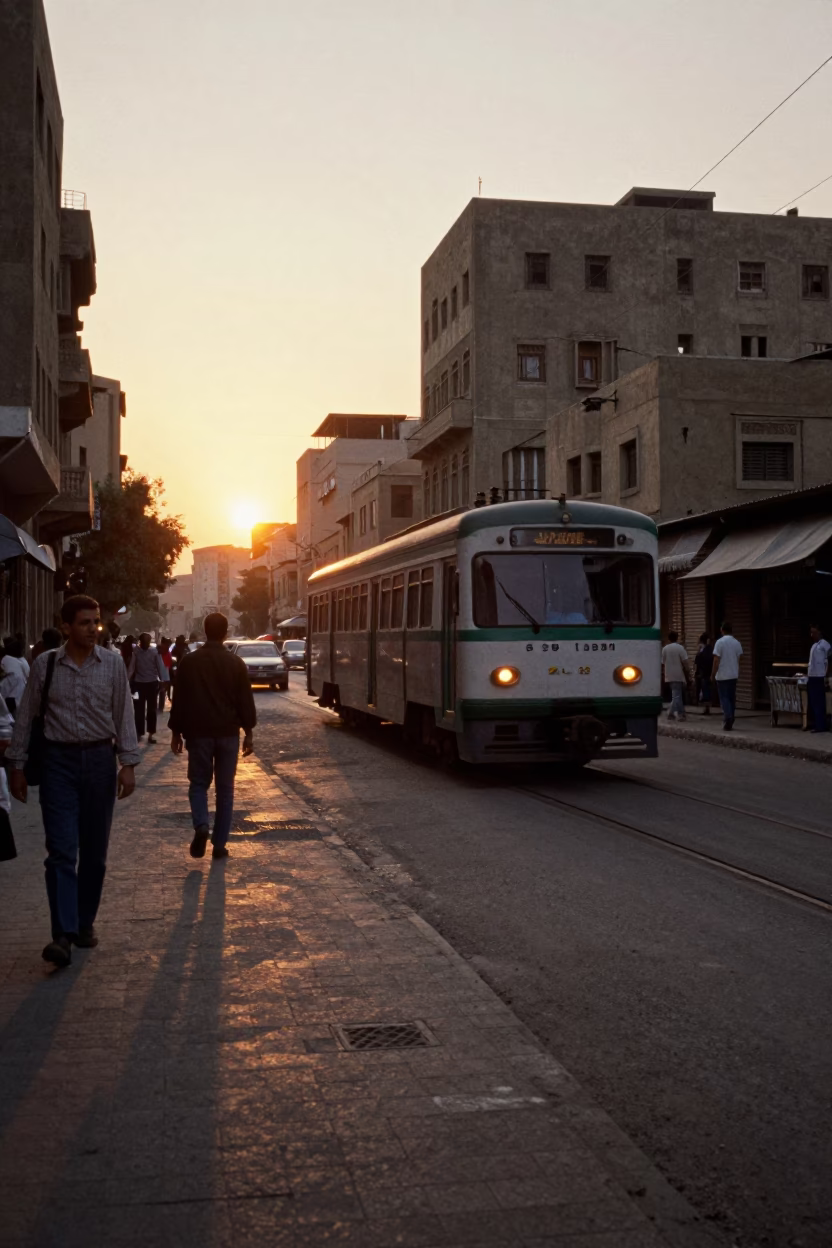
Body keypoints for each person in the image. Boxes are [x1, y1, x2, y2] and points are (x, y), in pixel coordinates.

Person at [6, 594, 139, 967]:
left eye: (96, 622)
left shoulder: (112, 665)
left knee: (94, 854)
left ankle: (84, 924)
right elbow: (26, 717)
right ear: (65, 627)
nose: (93, 629)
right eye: (84, 623)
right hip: (57, 764)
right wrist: (17, 765)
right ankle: (62, 934)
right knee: (62, 850)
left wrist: (127, 763)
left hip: (99, 760)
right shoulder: (45, 666)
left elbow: (124, 714)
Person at [169, 612, 256, 861]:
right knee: (225, 789)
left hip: (198, 734)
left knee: (198, 784)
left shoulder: (189, 662)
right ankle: (219, 845)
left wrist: (176, 732)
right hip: (228, 733)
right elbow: (245, 702)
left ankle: (201, 825)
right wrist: (248, 733)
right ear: (226, 632)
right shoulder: (235, 663)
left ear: (205, 631)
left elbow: (180, 700)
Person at [128, 632, 168, 744]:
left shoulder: (154, 652)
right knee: (139, 710)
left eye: (148, 641)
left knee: (151, 710)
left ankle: (151, 734)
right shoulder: (136, 652)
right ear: (141, 642)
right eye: (144, 642)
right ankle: (139, 732)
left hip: (152, 684)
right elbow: (132, 666)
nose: (146, 644)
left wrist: (163, 680)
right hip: (139, 684)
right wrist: (127, 679)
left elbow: (160, 666)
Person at [711, 621, 743, 731]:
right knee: (731, 697)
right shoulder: (737, 643)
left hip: (722, 675)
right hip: (733, 674)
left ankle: (728, 717)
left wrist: (713, 674)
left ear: (722, 630)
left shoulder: (719, 642)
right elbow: (739, 659)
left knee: (724, 697)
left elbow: (716, 660)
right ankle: (731, 717)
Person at [806, 623, 831, 734]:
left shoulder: (824, 644)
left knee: (819, 702)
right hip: (812, 676)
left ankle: (821, 725)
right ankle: (815, 723)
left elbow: (829, 660)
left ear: (819, 632)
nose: (812, 635)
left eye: (814, 632)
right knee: (813, 701)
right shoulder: (813, 646)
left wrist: (827, 674)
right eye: (811, 632)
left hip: (820, 676)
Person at [661, 631, 691, 721]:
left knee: (676, 694)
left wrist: (663, 673)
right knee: (676, 695)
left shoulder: (665, 649)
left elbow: (662, 663)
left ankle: (679, 713)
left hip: (668, 674)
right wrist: (688, 672)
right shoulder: (680, 648)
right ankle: (674, 713)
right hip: (678, 674)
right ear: (677, 638)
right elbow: (685, 661)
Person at [1, 636, 30, 715]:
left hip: (12, 700)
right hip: (18, 698)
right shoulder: (20, 661)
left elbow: (11, 680)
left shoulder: (8, 660)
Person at [694, 633, 714, 716]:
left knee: (705, 690)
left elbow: (697, 662)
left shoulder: (703, 651)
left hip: (703, 673)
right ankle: (707, 707)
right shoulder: (711, 649)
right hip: (710, 672)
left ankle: (706, 708)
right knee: (707, 690)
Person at [158, 638, 173, 712]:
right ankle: (161, 707)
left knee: (156, 691)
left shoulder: (157, 651)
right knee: (163, 691)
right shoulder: (168, 652)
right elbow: (169, 663)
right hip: (165, 673)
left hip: (157, 673)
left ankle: (154, 706)